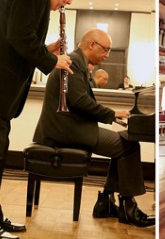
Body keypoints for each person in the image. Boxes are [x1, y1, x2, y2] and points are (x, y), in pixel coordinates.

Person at [33, 28, 155, 228]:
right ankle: (127, 206)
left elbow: (80, 100)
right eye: (105, 50)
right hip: (65, 131)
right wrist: (112, 114)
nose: (107, 55)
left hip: (70, 127)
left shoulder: (78, 62)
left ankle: (107, 201)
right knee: (128, 146)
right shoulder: (72, 62)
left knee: (126, 141)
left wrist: (111, 115)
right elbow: (79, 100)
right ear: (92, 45)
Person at [0, 0, 80, 236]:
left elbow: (14, 42)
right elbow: (19, 37)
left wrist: (45, 50)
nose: (69, 1)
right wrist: (52, 60)